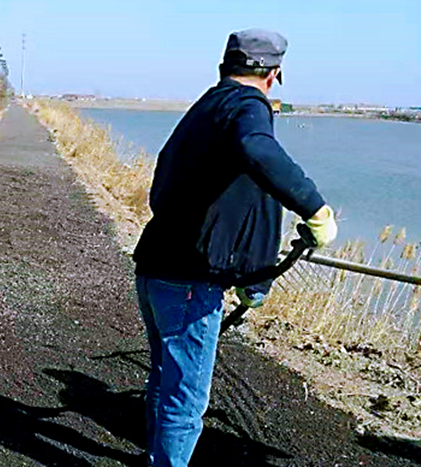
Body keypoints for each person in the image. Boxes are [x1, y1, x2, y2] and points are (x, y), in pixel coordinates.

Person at [132, 28, 338, 467]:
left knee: (165, 379)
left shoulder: (207, 106)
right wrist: (315, 208)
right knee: (186, 399)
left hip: (154, 265)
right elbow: (257, 150)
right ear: (273, 75)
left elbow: (180, 183)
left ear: (224, 67)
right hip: (190, 279)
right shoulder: (248, 106)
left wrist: (250, 275)